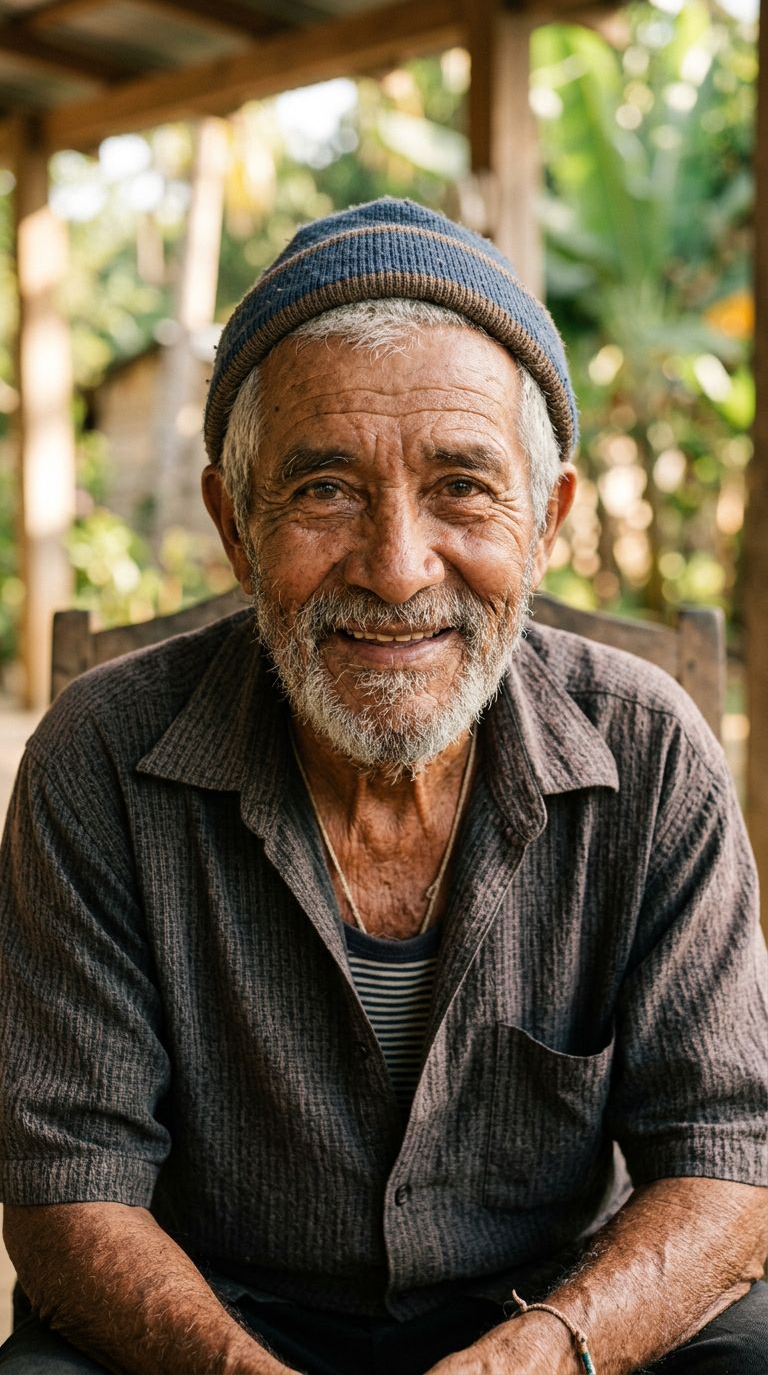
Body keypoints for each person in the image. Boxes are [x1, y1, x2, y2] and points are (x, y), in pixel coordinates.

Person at [0, 198, 766, 1375]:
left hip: (561, 1314)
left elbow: (726, 1154)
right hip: (212, 1320)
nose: (399, 568)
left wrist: (538, 1357)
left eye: (464, 485)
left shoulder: (653, 756)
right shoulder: (100, 759)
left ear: (548, 519)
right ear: (235, 524)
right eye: (324, 489)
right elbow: (65, 1184)